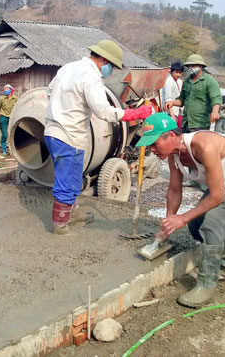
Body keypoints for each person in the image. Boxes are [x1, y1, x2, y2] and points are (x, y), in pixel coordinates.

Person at [136, 112, 225, 308]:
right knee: (196, 224)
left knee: (212, 223)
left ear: (172, 135)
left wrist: (181, 218)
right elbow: (174, 189)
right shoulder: (173, 156)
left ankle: (206, 285)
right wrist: (168, 223)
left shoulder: (204, 145)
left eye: (154, 143)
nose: (151, 149)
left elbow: (217, 195)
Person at [44, 39, 153, 235]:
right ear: (103, 59)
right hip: (70, 135)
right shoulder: (91, 77)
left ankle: (72, 213)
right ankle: (60, 224)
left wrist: (67, 108)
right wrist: (133, 114)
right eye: (111, 66)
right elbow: (104, 111)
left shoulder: (68, 68)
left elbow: (50, 92)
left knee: (75, 176)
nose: (111, 70)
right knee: (66, 180)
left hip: (53, 131)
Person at [165, 54, 222, 133]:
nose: (190, 68)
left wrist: (215, 111)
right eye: (189, 66)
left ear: (200, 66)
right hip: (186, 123)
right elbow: (181, 100)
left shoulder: (209, 81)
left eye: (193, 66)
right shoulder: (186, 82)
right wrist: (172, 102)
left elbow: (216, 98)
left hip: (200, 124)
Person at [0, 84, 17, 156]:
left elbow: (17, 107)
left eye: (7, 89)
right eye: (5, 89)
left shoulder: (15, 98)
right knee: (5, 135)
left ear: (11, 90)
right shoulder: (2, 98)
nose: (6, 91)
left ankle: (13, 150)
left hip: (12, 118)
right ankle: (4, 150)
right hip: (3, 117)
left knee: (12, 134)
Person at [162, 62, 184, 127]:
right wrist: (172, 115)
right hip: (170, 111)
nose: (178, 74)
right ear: (172, 71)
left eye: (180, 73)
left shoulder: (179, 81)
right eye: (176, 72)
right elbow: (168, 99)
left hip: (178, 110)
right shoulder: (169, 81)